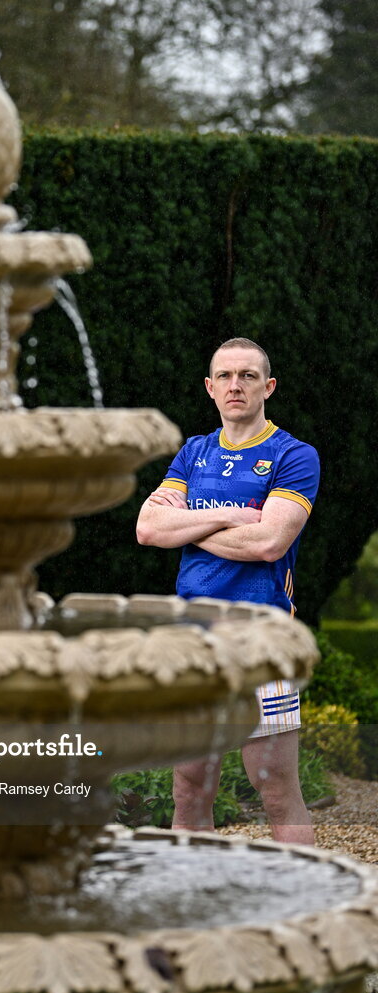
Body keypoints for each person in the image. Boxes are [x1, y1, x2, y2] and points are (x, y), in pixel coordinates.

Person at [135, 337, 320, 844]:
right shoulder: (194, 452)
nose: (235, 385)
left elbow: (268, 542)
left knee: (277, 789)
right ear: (210, 388)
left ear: (269, 386)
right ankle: (192, 900)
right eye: (225, 376)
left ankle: (303, 907)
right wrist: (226, 514)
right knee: (190, 785)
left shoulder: (293, 455)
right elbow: (148, 529)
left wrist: (189, 523)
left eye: (248, 375)